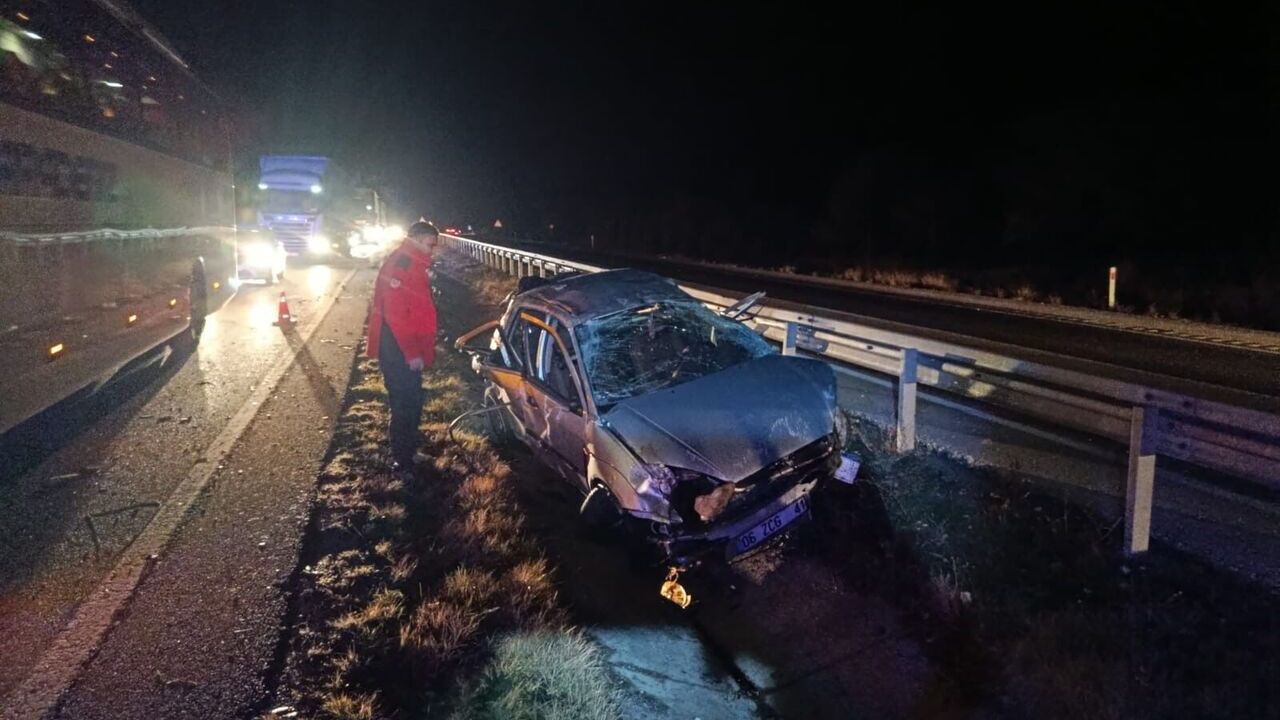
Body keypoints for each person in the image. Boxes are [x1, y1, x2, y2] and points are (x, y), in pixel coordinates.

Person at [366, 221, 439, 476]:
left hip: (404, 346)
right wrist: (411, 353)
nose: (432, 250)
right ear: (416, 239)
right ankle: (402, 460)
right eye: (430, 244)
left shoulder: (412, 263)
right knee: (404, 403)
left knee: (412, 399)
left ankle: (408, 452)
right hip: (397, 348)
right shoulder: (403, 265)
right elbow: (396, 316)